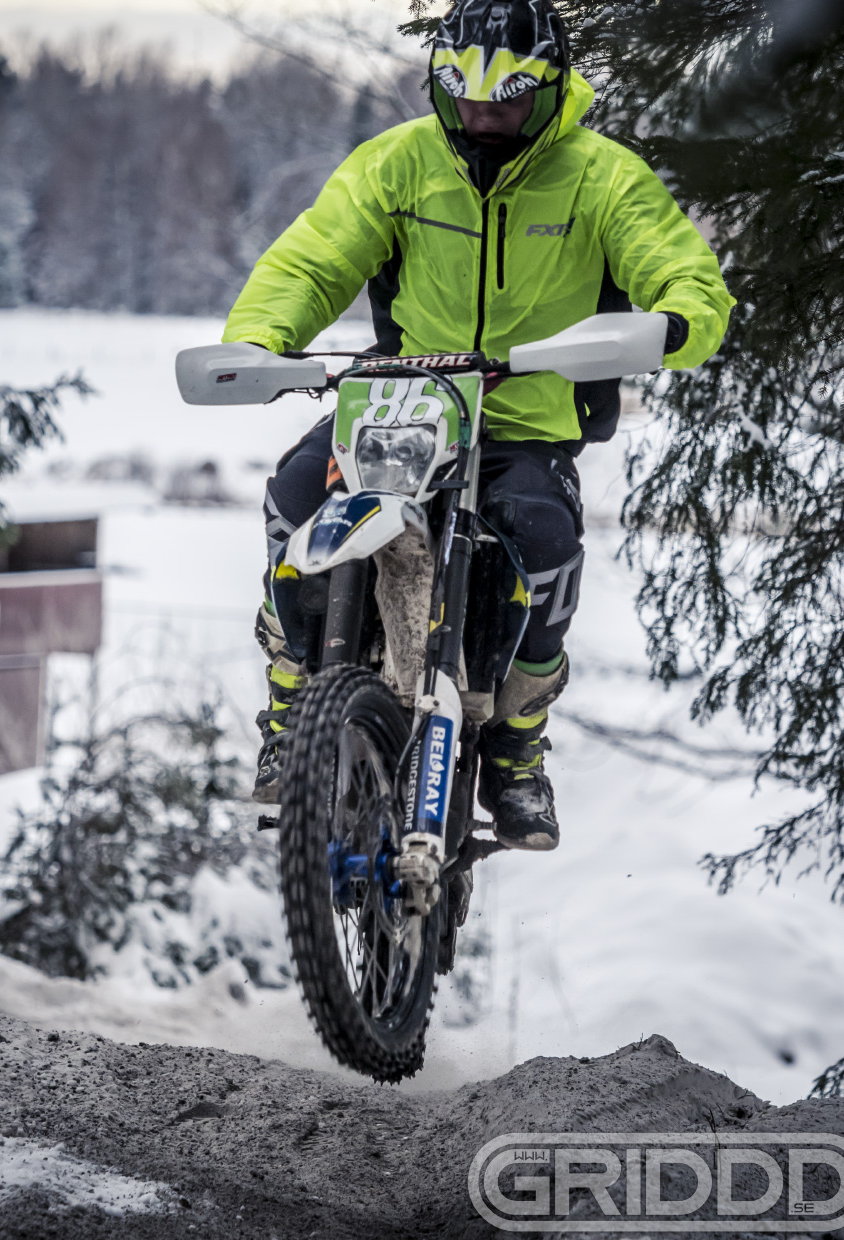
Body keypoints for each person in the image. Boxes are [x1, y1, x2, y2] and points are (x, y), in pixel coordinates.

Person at [221, 0, 734, 851]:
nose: (484, 117)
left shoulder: (604, 176)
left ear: (551, 89)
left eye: (508, 101)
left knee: (543, 538)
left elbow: (683, 272)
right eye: (466, 98)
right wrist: (259, 341)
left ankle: (516, 750)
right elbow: (313, 261)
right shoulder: (398, 163)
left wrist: (676, 321)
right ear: (441, 86)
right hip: (401, 404)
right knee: (295, 495)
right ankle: (290, 709)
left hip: (526, 419)